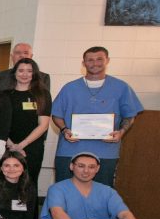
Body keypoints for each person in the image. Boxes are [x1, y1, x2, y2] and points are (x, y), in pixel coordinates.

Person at [51, 46, 143, 187]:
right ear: (84, 63)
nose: (95, 63)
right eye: (90, 60)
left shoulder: (121, 87)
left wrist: (121, 132)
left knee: (101, 194)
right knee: (65, 192)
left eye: (99, 59)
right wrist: (64, 130)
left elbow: (130, 115)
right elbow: (56, 114)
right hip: (70, 150)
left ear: (107, 61)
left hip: (105, 152)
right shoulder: (70, 88)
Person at [5, 58, 51, 185]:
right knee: (7, 183)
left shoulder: (42, 94)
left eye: (29, 71)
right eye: (20, 70)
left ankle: (29, 206)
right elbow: (0, 124)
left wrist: (21, 145)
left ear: (34, 73)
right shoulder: (5, 95)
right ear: (14, 73)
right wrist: (12, 145)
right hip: (8, 145)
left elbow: (43, 125)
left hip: (32, 147)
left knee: (29, 183)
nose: (24, 74)